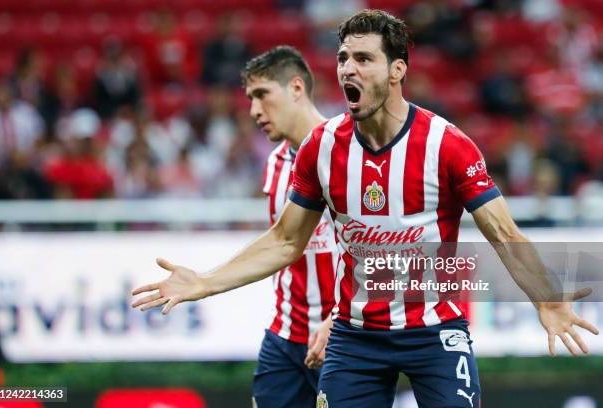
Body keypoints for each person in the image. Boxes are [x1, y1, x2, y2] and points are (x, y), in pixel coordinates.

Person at [132, 10, 599, 408]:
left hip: (434, 331)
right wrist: (206, 282)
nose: (347, 70)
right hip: (355, 337)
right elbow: (285, 240)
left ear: (397, 70)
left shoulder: (445, 144)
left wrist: (546, 298)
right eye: (341, 59)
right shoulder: (322, 147)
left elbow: (505, 234)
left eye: (363, 59)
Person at [135, 46, 338, 408]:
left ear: (296, 88)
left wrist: (342, 316)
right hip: (285, 336)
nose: (254, 110)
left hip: (344, 337)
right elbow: (282, 243)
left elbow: (385, 248)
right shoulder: (276, 163)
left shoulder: (349, 154)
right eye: (249, 98)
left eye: (262, 95)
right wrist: (204, 280)